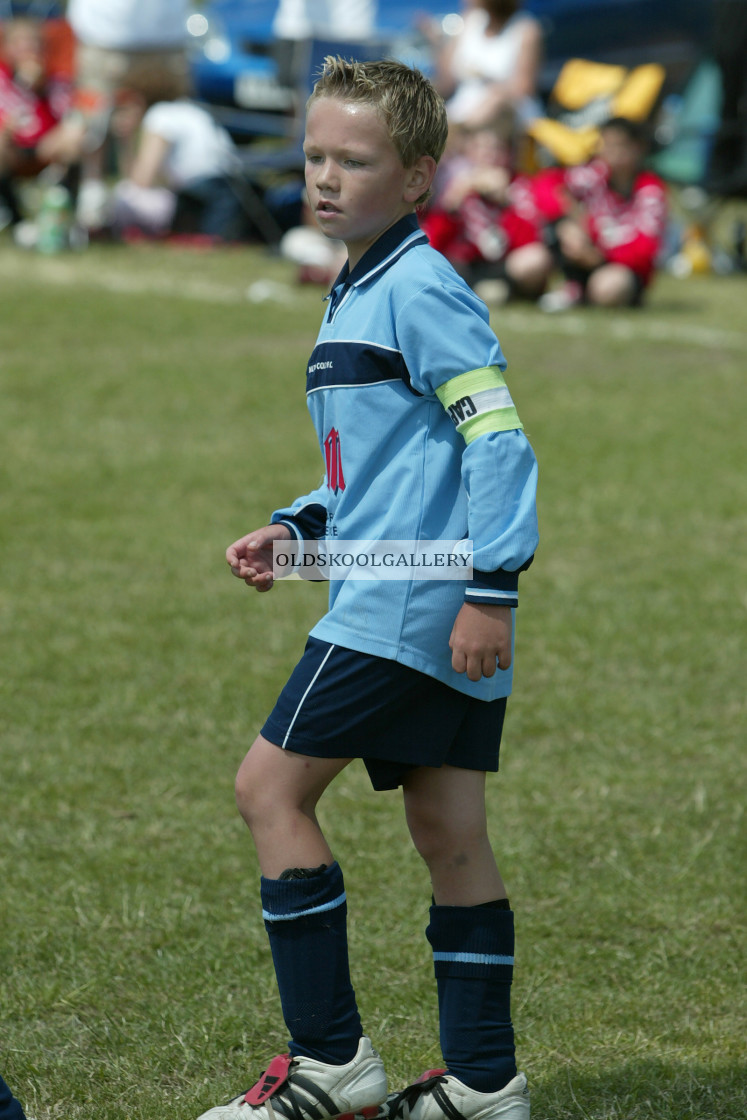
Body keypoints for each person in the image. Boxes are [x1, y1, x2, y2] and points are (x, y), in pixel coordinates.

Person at [203, 55, 538, 1120]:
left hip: (416, 599)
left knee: (270, 790)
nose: (326, 177)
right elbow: (385, 465)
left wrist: (493, 586)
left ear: (420, 177)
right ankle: (485, 1084)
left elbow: (499, 439)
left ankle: (327, 1064)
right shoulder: (363, 284)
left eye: (357, 159)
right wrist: (298, 527)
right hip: (424, 589)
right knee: (450, 832)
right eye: (314, 156)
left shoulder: (422, 288)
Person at [63, 0, 191, 228]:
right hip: (155, 37)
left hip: (113, 37)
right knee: (100, 125)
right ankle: (117, 206)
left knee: (101, 126)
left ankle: (130, 206)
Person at [527, 116, 668, 311]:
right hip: (585, 256)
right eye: (606, 145)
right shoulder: (595, 175)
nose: (611, 153)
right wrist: (564, 223)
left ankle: (580, 293)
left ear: (638, 148)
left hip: (622, 268)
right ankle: (574, 287)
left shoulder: (650, 190)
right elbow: (546, 184)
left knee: (608, 288)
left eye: (619, 146)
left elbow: (645, 249)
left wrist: (599, 255)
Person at [420, 118, 545, 301]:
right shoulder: (456, 182)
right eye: (481, 148)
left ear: (508, 154)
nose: (489, 155)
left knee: (536, 259)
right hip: (465, 262)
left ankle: (511, 290)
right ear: (469, 151)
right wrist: (453, 204)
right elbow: (435, 239)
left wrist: (505, 204)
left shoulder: (518, 186)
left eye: (497, 149)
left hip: (505, 262)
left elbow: (530, 238)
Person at [110, 95, 246, 241]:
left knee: (124, 192)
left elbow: (141, 181)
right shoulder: (193, 110)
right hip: (232, 185)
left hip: (197, 192)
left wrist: (125, 140)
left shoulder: (159, 115)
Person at [0, 16, 76, 224]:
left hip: (47, 149)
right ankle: (15, 218)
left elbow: (67, 117)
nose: (27, 48)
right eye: (19, 43)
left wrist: (40, 88)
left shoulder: (57, 81)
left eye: (32, 42)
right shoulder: (2, 79)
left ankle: (68, 212)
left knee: (76, 135)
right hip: (12, 150)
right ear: (7, 48)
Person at [432, 1, 543, 131]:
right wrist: (437, 43)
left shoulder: (526, 29)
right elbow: (447, 82)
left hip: (506, 112)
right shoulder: (469, 21)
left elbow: (523, 88)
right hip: (463, 109)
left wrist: (492, 97)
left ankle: (459, 132)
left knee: (496, 100)